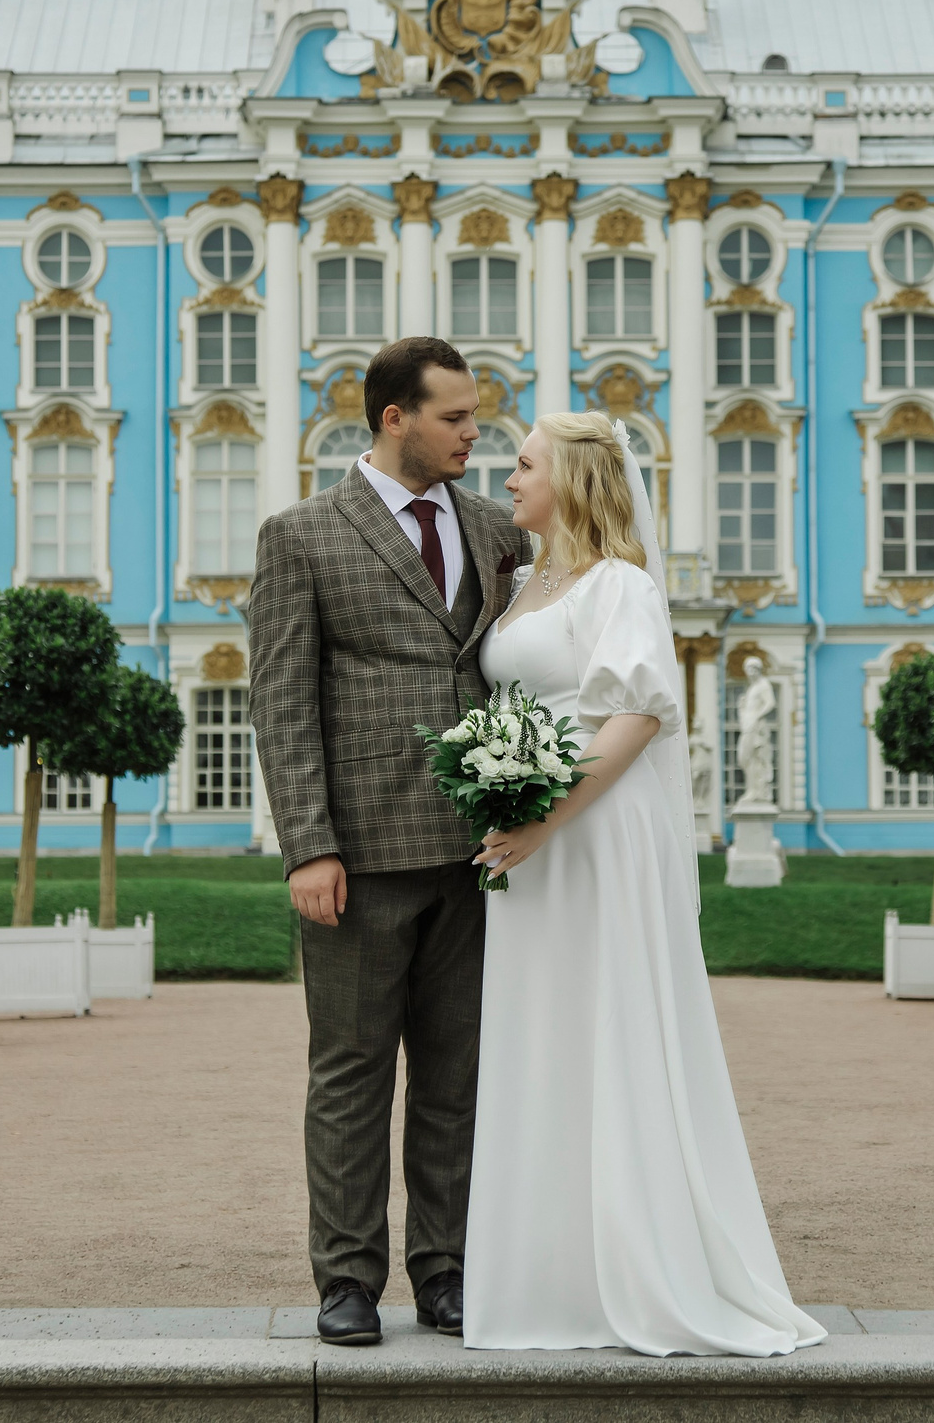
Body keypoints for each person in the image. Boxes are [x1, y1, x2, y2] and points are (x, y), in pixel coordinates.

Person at [464, 411, 823, 1356]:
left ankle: (629, 1270)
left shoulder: (620, 584)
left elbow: (634, 718)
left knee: (605, 1026)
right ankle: (544, 1274)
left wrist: (545, 814)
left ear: (573, 480)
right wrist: (504, 788)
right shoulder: (519, 583)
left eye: (525, 465)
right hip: (531, 839)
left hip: (591, 831)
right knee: (540, 1035)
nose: (508, 477)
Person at [250, 336, 533, 1347]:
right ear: (393, 420)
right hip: (358, 858)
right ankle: (347, 1281)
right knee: (353, 1073)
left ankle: (447, 1270)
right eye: (455, 418)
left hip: (480, 854)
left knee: (458, 1077)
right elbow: (281, 701)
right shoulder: (303, 536)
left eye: (477, 416)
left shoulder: (503, 532)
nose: (475, 433)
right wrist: (307, 846)